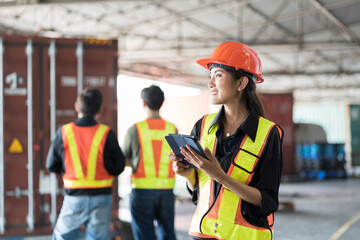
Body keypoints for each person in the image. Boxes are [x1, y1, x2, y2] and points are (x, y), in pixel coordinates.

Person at [169, 41, 283, 240]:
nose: (210, 83)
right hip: (202, 233)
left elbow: (268, 201)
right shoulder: (203, 126)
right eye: (210, 75)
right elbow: (201, 192)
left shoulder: (268, 134)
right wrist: (189, 176)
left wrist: (220, 176)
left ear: (241, 83)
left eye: (218, 75)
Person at [46, 88, 125, 240]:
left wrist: (67, 169)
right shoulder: (107, 133)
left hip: (73, 197)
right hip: (102, 198)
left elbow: (51, 165)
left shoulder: (64, 132)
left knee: (62, 237)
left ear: (77, 106)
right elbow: (119, 167)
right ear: (100, 109)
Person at [122, 85, 177, 240]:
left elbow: (123, 158)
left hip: (142, 191)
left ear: (143, 103)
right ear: (162, 102)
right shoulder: (172, 128)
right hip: (166, 192)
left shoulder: (135, 130)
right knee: (168, 234)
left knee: (144, 235)